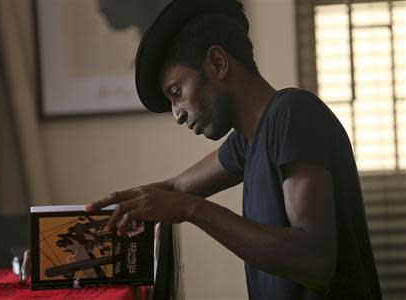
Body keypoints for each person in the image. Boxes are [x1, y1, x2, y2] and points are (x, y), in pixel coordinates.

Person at [85, 0, 382, 299]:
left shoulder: (294, 114)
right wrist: (78, 232)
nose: (178, 115)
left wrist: (192, 209)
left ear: (217, 63)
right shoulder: (247, 141)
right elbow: (175, 189)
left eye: (177, 93)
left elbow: (315, 262)